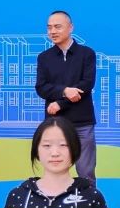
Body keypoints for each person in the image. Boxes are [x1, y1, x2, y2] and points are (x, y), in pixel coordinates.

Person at [36, 11, 97, 183]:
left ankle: (88, 200)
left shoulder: (87, 54)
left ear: (71, 28)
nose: (52, 31)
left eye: (57, 27)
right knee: (55, 170)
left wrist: (60, 103)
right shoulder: (44, 58)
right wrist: (64, 91)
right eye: (49, 28)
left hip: (82, 122)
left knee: (86, 173)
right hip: (55, 123)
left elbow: (86, 84)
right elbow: (41, 87)